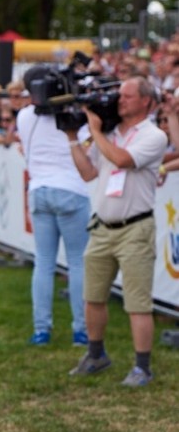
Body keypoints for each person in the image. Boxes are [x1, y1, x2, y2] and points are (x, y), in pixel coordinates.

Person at [66, 76, 167, 386]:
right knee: (92, 297)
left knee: (137, 302)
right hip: (102, 227)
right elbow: (88, 172)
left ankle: (142, 367)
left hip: (135, 228)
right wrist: (72, 137)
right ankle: (96, 355)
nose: (119, 100)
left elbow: (123, 160)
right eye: (120, 95)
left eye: (127, 95)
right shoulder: (110, 133)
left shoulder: (154, 135)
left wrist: (94, 130)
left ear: (146, 102)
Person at [18, 67, 90, 346]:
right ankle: (81, 331)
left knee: (44, 264)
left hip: (39, 190)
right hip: (71, 190)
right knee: (77, 263)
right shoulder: (75, 116)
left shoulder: (25, 116)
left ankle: (41, 330)